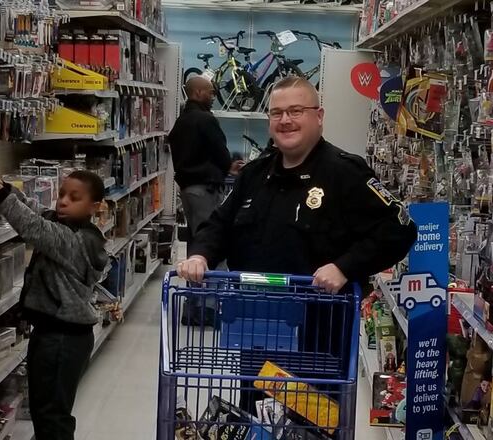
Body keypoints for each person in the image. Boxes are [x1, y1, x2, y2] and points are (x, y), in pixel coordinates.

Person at [176, 75, 417, 412]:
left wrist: (344, 266)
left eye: (296, 110)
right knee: (256, 416)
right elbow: (220, 225)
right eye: (277, 113)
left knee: (310, 424)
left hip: (319, 335)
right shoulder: (254, 175)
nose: (285, 120)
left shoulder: (345, 172)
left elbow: (399, 228)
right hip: (257, 326)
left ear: (318, 116)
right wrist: (200, 254)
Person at [0, 168, 108, 440]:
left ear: (94, 206)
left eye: (74, 197)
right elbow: (34, 211)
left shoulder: (77, 240)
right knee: (46, 412)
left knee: (52, 416)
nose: (63, 201)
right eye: (62, 194)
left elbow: (33, 227)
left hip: (62, 339)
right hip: (56, 334)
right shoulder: (66, 225)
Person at [168, 76, 245, 247]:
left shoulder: (181, 121)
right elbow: (220, 151)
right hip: (205, 190)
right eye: (210, 93)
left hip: (187, 189)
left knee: (196, 237)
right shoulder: (206, 120)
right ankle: (213, 274)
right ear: (198, 92)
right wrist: (229, 166)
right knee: (211, 238)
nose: (213, 97)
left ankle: (194, 272)